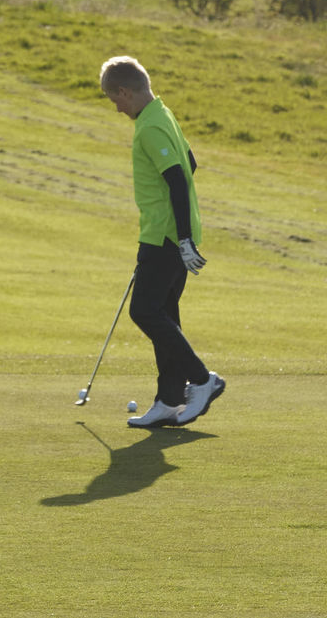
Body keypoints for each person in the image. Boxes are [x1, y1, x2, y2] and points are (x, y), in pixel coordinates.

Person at [99, 55, 224, 429]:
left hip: (164, 237)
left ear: (125, 91)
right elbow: (191, 163)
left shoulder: (149, 128)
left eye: (115, 100)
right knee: (165, 316)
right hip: (168, 235)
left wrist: (182, 238)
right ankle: (170, 399)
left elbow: (176, 179)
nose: (117, 108)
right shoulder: (163, 114)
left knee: (146, 312)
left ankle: (202, 380)